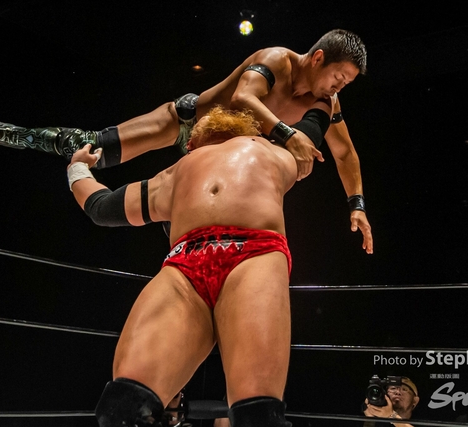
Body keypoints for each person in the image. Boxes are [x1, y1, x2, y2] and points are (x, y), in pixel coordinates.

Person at [0, 29, 373, 253]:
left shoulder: (324, 103)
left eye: (347, 84)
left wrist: (357, 205)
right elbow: (242, 98)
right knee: (90, 146)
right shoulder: (275, 60)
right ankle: (10, 133)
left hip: (217, 156)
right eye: (339, 77)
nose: (339, 87)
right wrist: (287, 135)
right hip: (188, 122)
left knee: (189, 222)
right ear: (318, 58)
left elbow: (345, 154)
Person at [67, 106, 302, 427]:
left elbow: (316, 109)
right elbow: (103, 207)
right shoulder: (178, 172)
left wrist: (77, 168)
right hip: (188, 266)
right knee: (122, 409)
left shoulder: (273, 151)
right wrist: (77, 167)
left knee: (257, 417)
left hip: (251, 256)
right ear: (190, 144)